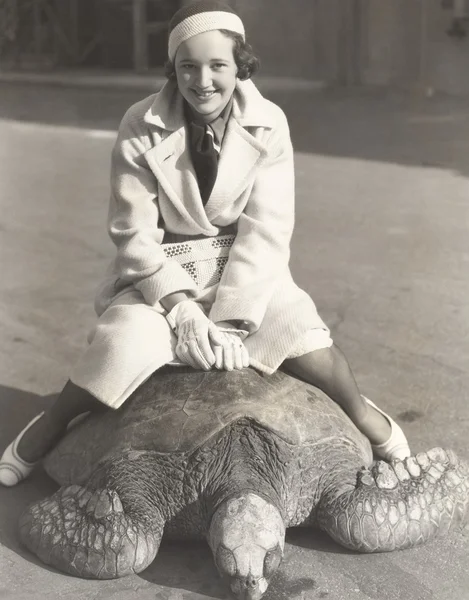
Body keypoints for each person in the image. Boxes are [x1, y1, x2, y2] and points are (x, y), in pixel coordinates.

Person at [0, 0, 410, 487]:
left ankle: (367, 417)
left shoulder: (269, 121)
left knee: (309, 344)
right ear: (172, 70)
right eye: (188, 66)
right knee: (120, 350)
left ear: (241, 65)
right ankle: (48, 425)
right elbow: (133, 233)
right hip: (161, 277)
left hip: (243, 272)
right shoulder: (140, 122)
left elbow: (267, 228)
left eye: (218, 65)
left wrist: (233, 319)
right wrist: (180, 310)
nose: (203, 81)